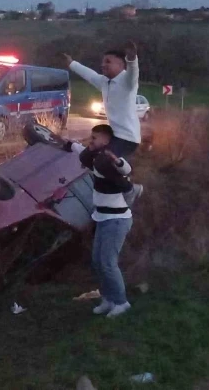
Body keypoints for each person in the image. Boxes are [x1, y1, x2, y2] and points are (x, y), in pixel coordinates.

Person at [64, 124, 136, 318]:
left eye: (95, 137)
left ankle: (121, 302)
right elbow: (83, 154)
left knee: (108, 263)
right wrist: (71, 145)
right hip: (103, 217)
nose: (91, 140)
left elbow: (125, 168)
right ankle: (108, 299)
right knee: (98, 260)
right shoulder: (97, 159)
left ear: (106, 140)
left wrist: (118, 162)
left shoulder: (108, 161)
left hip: (117, 219)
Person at [64, 43, 143, 204]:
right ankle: (110, 180)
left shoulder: (128, 83)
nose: (103, 65)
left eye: (108, 61)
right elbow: (89, 74)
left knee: (101, 163)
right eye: (102, 61)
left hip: (128, 138)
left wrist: (132, 59)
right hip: (114, 136)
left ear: (121, 65)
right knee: (85, 157)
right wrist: (71, 63)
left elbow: (133, 72)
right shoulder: (104, 82)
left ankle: (130, 189)